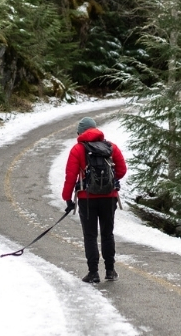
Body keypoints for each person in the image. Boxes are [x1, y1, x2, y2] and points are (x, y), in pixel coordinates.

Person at [62, 116, 127, 283]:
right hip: (109, 197)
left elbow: (70, 177)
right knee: (107, 233)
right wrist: (110, 182)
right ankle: (110, 271)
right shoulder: (111, 147)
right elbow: (122, 170)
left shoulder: (78, 149)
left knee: (90, 235)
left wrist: (67, 198)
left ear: (81, 132)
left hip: (87, 198)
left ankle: (93, 273)